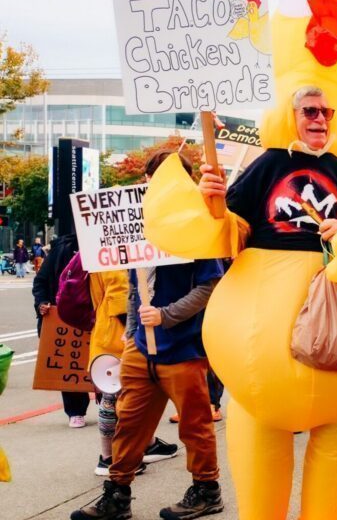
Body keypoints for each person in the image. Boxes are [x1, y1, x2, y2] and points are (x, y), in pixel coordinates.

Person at [145, 82, 337, 519]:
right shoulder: (268, 165)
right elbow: (229, 229)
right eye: (310, 111)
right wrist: (210, 201)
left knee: (333, 482)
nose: (319, 119)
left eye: (326, 112)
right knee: (260, 486)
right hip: (261, 354)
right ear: (293, 116)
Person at [72, 151, 225, 520]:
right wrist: (131, 333)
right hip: (141, 349)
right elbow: (132, 286)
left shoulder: (197, 227)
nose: (153, 186)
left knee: (195, 425)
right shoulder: (138, 225)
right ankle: (117, 494)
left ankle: (207, 490)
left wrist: (166, 316)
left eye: (163, 180)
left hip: (183, 348)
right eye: (150, 179)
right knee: (129, 423)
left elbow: (210, 285)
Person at [88, 267, 178, 477]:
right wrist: (135, 334)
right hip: (119, 336)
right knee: (116, 399)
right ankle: (109, 457)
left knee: (122, 397)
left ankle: (145, 445)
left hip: (105, 331)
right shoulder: (116, 260)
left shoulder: (100, 256)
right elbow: (121, 300)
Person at [32, 232, 90, 427]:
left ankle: (111, 406)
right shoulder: (61, 250)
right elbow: (40, 282)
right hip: (64, 317)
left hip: (98, 314)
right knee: (71, 362)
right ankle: (75, 410)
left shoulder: (105, 250)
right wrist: (42, 302)